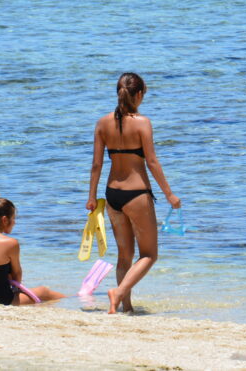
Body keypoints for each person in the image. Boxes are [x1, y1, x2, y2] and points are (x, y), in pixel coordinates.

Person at [87, 72, 181, 314]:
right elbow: (151, 161)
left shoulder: (102, 123)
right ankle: (117, 293)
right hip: (137, 193)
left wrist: (90, 196)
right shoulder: (142, 123)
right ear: (138, 94)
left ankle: (124, 307)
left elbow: (96, 165)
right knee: (149, 255)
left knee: (124, 256)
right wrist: (169, 194)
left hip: (112, 195)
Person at [0, 191, 64, 306]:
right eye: (13, 218)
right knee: (44, 291)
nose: (15, 222)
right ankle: (75, 299)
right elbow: (17, 275)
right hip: (1, 300)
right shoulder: (11, 243)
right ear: (4, 220)